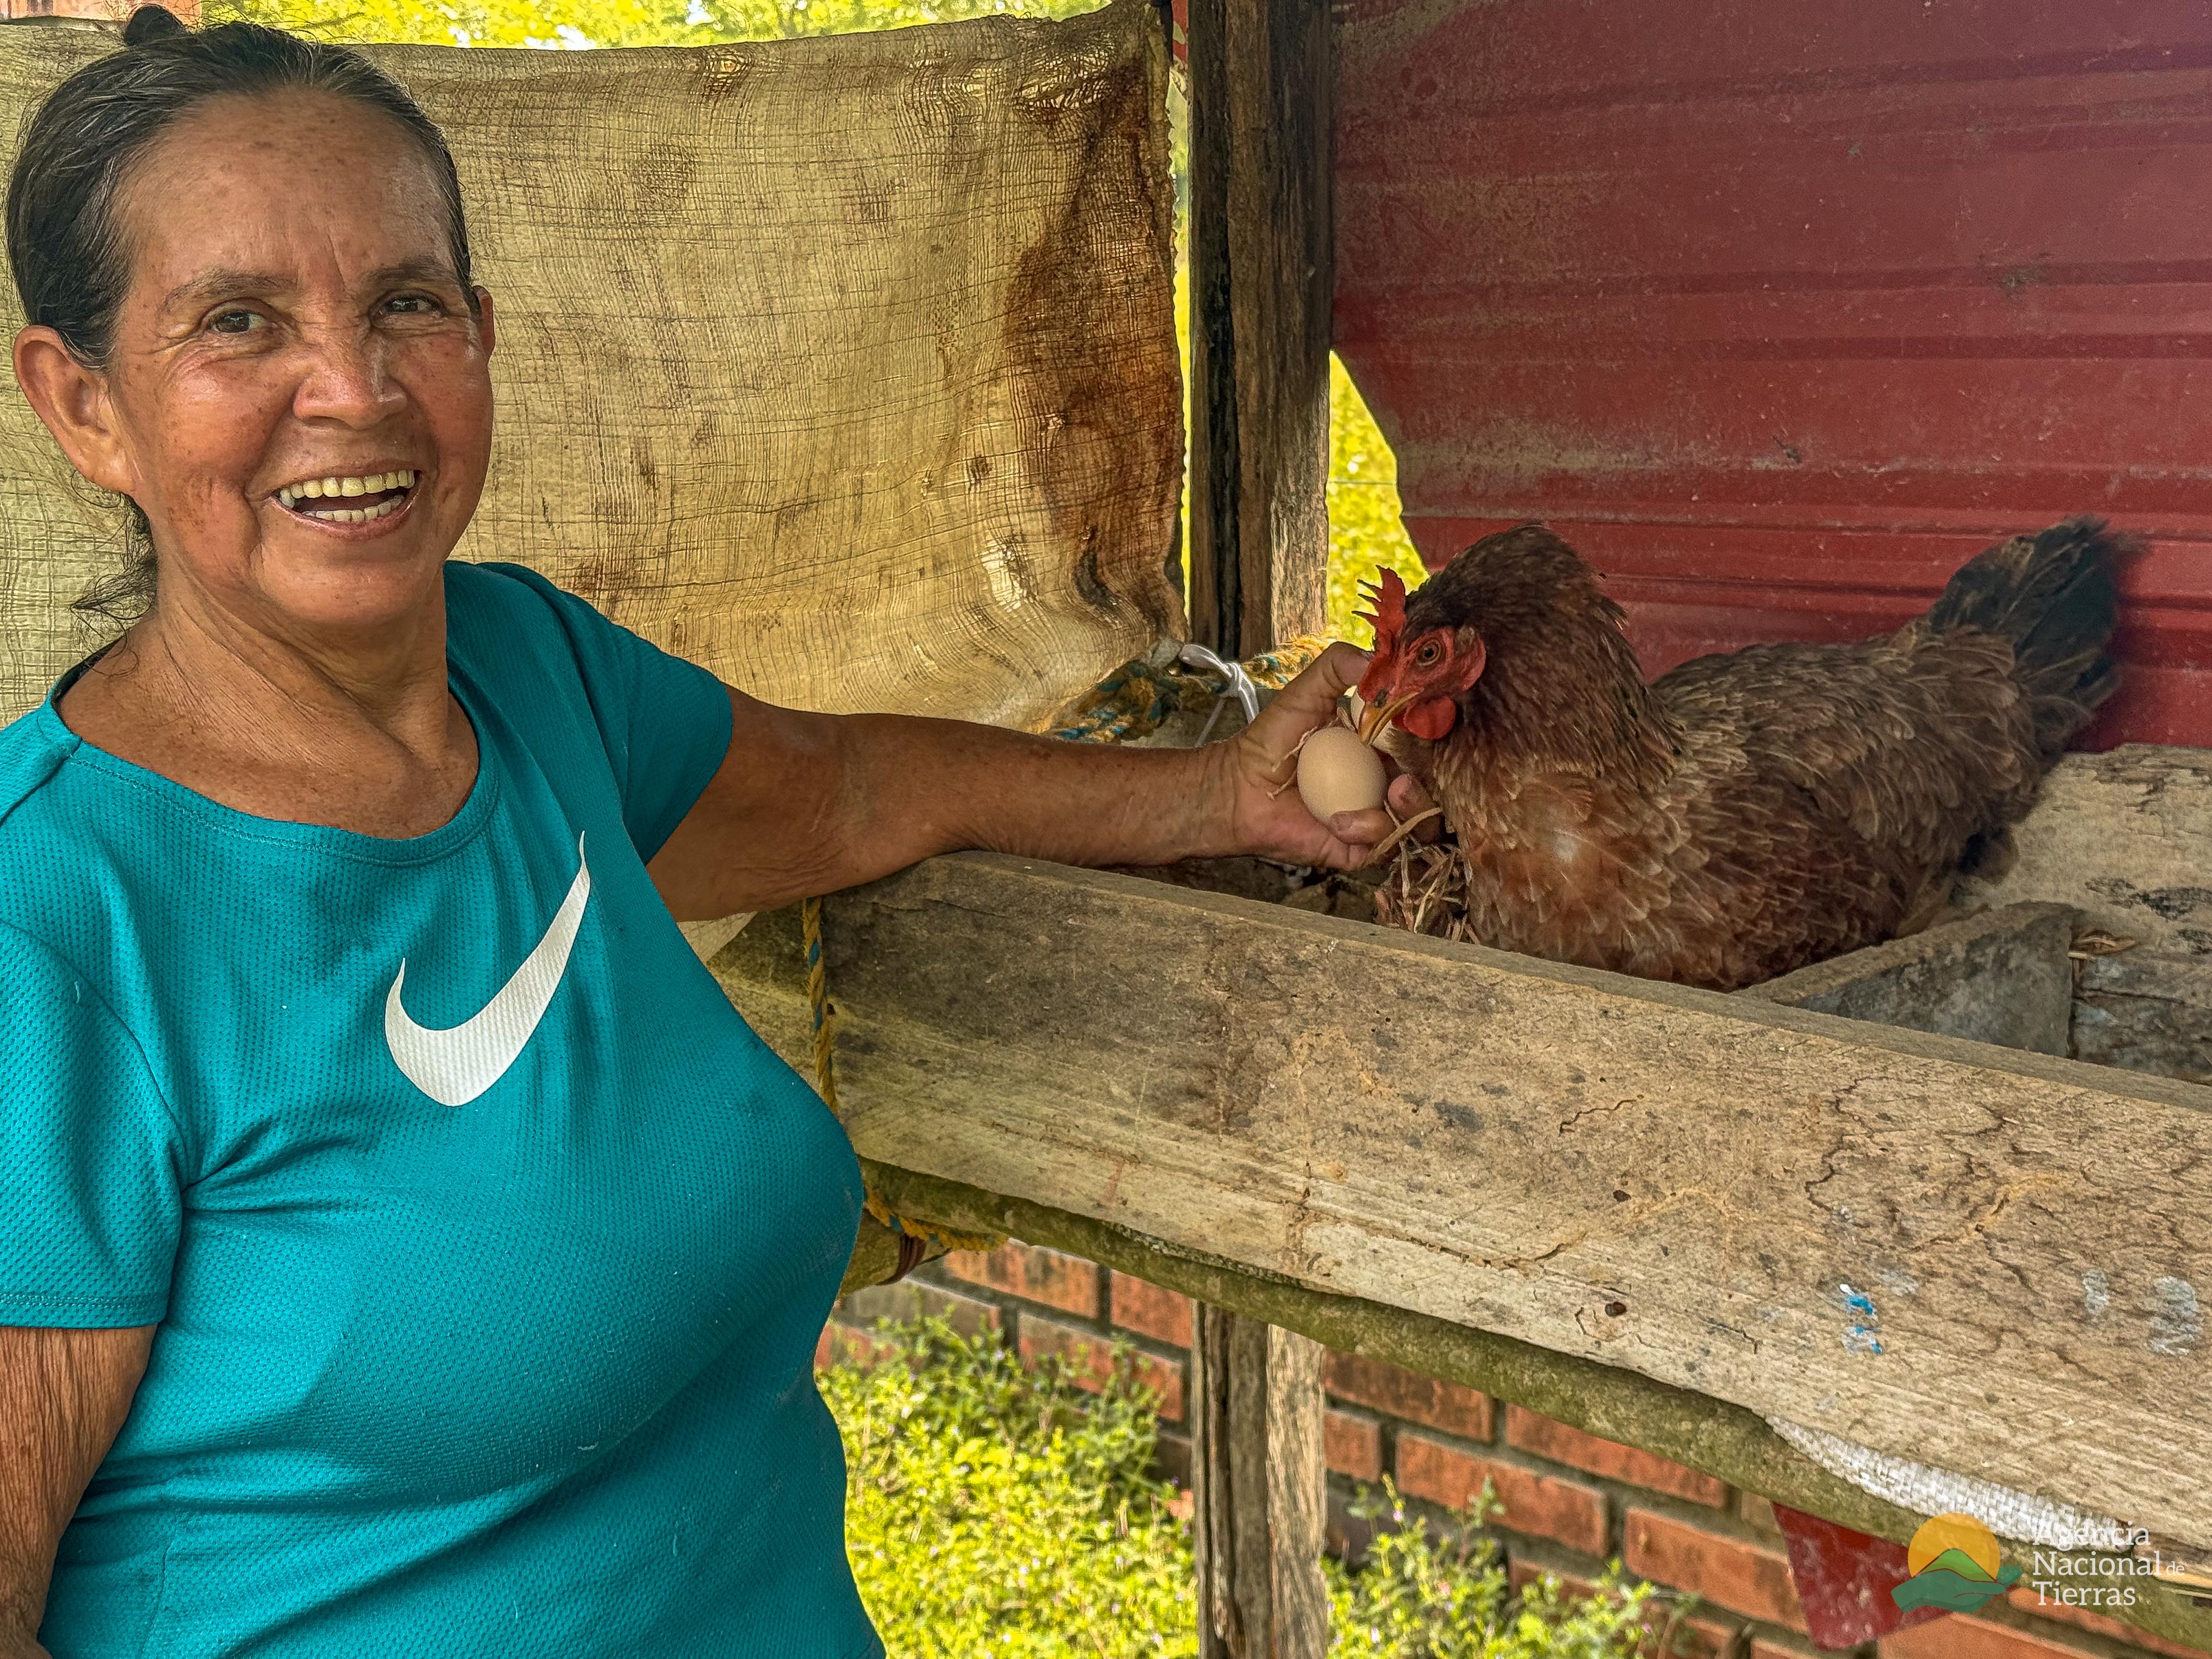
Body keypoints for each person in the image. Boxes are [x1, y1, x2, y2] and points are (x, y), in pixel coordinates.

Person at [0, 9, 1427, 1656]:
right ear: (84, 402)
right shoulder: (57, 926)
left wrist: (1214, 794)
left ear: (480, 332)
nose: (353, 388)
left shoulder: (528, 671)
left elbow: (847, 792)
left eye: (407, 302)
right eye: (238, 323)